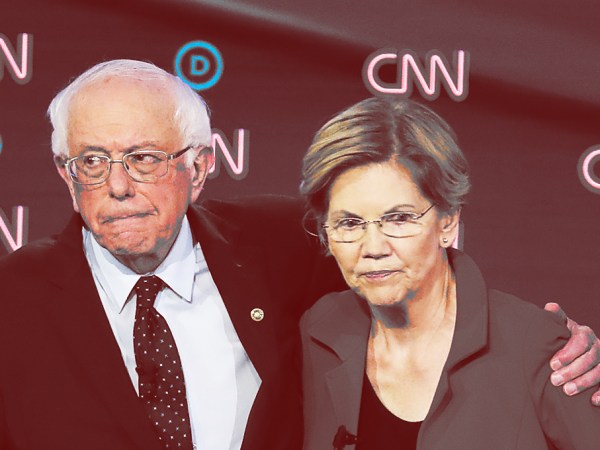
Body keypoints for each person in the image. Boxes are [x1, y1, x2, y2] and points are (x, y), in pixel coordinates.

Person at [0, 60, 595, 450]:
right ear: (65, 173)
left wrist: (563, 346)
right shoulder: (12, 299)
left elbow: (429, 293)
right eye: (92, 161)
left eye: (145, 159)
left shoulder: (281, 248)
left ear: (200, 167)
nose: (118, 185)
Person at [299, 97, 600, 449]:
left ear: (448, 221)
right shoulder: (319, 332)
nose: (374, 247)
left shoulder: (540, 347)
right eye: (349, 223)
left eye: (399, 218)